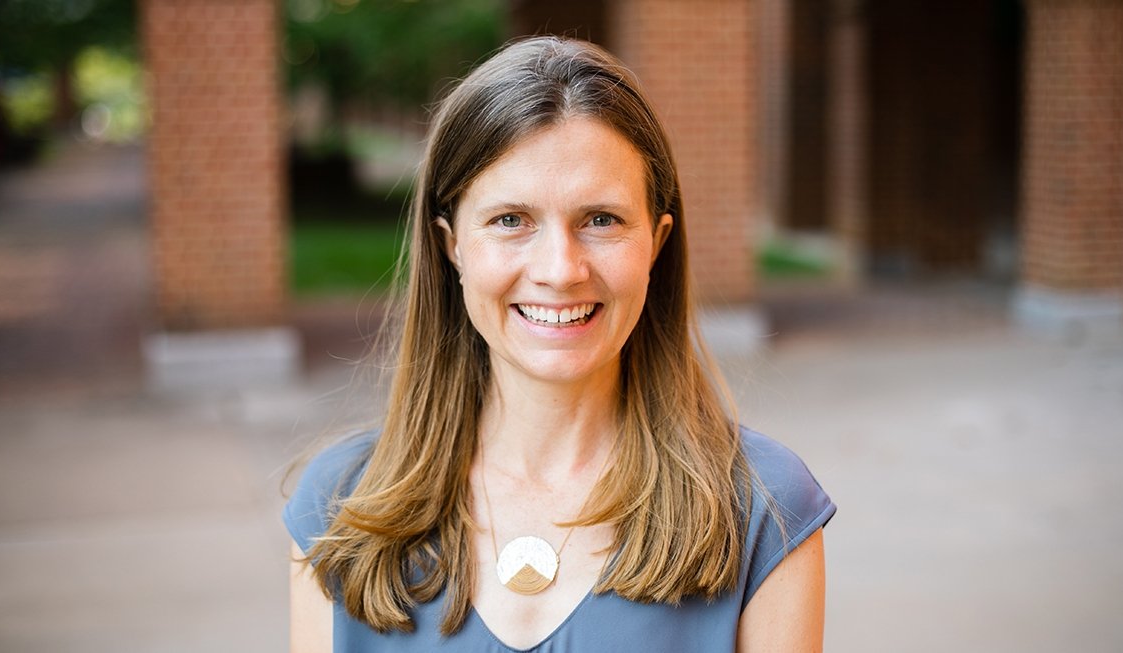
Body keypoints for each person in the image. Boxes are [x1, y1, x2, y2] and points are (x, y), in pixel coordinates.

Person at [285, 36, 835, 652]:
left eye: (600, 219)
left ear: (656, 242)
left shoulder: (766, 511)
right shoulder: (336, 509)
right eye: (510, 220)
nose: (560, 268)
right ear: (451, 246)